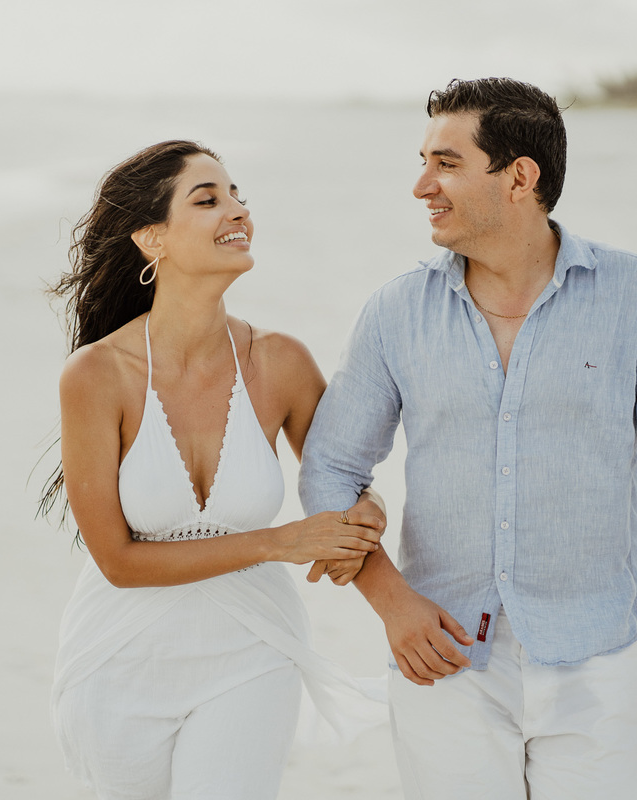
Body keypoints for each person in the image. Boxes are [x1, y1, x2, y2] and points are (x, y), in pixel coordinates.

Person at [299, 77, 637, 799]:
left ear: (520, 178)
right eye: (423, 160)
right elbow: (330, 470)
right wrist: (392, 603)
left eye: (446, 162)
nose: (421, 185)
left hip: (597, 656)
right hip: (443, 659)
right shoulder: (397, 312)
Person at [42, 140, 386, 799]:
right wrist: (282, 542)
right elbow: (117, 559)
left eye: (238, 196)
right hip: (119, 658)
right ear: (153, 239)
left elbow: (346, 489)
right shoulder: (96, 376)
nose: (237, 211)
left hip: (252, 647)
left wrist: (366, 514)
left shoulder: (282, 363)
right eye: (208, 199)